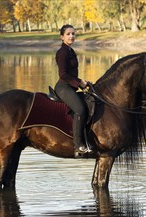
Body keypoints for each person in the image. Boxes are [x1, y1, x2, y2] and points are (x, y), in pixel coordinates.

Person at [54, 24, 90, 155]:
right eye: (68, 34)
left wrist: (83, 82)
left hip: (71, 85)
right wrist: (79, 83)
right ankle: (78, 146)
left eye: (73, 34)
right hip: (63, 87)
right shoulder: (62, 53)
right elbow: (63, 74)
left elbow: (71, 74)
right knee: (80, 110)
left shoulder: (70, 51)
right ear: (62, 37)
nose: (71, 36)